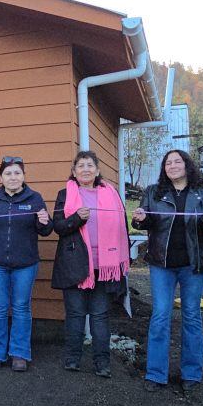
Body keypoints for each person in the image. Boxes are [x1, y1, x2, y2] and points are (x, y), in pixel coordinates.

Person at [131, 149, 203, 393]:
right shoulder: (153, 193)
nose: (172, 166)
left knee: (192, 316)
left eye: (177, 161)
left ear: (187, 165)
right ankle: (155, 374)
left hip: (193, 266)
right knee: (160, 316)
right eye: (168, 163)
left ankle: (192, 374)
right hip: (162, 265)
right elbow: (145, 222)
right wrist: (140, 219)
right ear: (164, 168)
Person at [0, 156, 52, 372]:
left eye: (17, 173)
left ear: (23, 176)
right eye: (8, 173)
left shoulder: (35, 198)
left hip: (25, 263)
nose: (13, 177)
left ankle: (19, 353)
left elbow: (45, 230)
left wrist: (44, 222)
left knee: (22, 307)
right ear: (1, 177)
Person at [52, 151, 130, 378]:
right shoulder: (65, 194)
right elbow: (58, 226)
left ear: (97, 170)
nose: (85, 169)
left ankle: (102, 362)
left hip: (105, 266)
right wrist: (76, 219)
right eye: (80, 166)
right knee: (75, 314)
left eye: (90, 165)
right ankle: (73, 359)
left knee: (100, 315)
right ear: (74, 172)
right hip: (75, 264)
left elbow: (123, 228)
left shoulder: (112, 194)